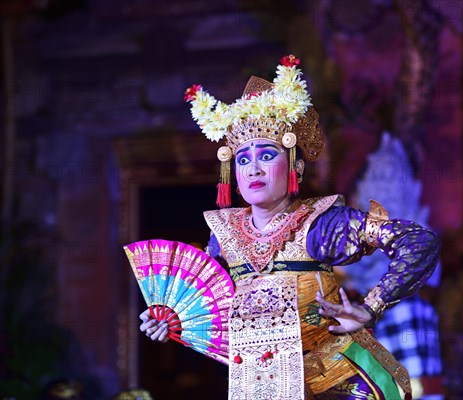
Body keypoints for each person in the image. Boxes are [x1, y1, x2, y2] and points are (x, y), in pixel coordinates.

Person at [139, 55, 440, 399]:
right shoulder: (224, 237)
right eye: (243, 159)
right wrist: (171, 322)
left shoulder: (321, 225)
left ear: (294, 168)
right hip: (261, 386)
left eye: (266, 156)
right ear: (233, 176)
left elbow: (418, 242)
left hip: (337, 384)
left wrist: (370, 307)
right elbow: (212, 312)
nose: (254, 169)